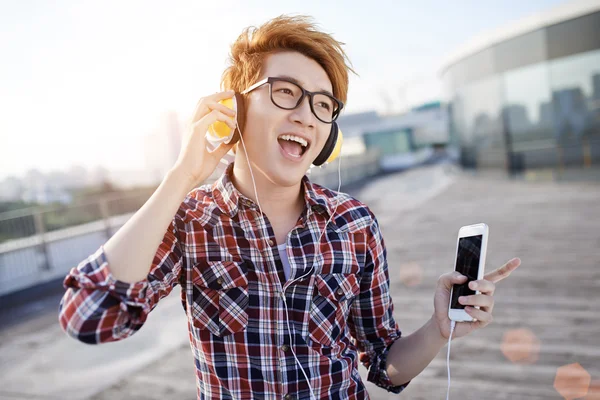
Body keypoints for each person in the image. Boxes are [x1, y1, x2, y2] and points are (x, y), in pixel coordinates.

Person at [58, 15, 521, 400]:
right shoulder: (191, 220)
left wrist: (440, 329)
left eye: (323, 105)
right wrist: (181, 178)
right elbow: (89, 318)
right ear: (234, 109)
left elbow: (387, 368)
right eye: (285, 92)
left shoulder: (354, 224)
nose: (305, 114)